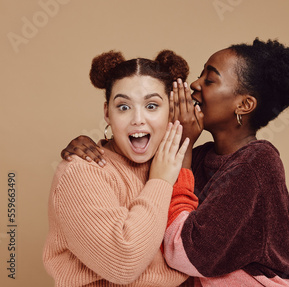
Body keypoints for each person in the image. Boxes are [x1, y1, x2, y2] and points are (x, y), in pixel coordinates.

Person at [61, 39, 289, 286]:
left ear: (244, 104)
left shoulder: (257, 161)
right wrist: (91, 144)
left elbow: (188, 253)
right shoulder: (199, 156)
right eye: (200, 73)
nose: (194, 84)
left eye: (210, 79)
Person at [43, 50, 192, 286]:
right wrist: (160, 182)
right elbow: (124, 263)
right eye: (124, 107)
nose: (138, 119)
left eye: (152, 105)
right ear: (107, 113)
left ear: (170, 111)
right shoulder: (81, 171)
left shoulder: (175, 164)